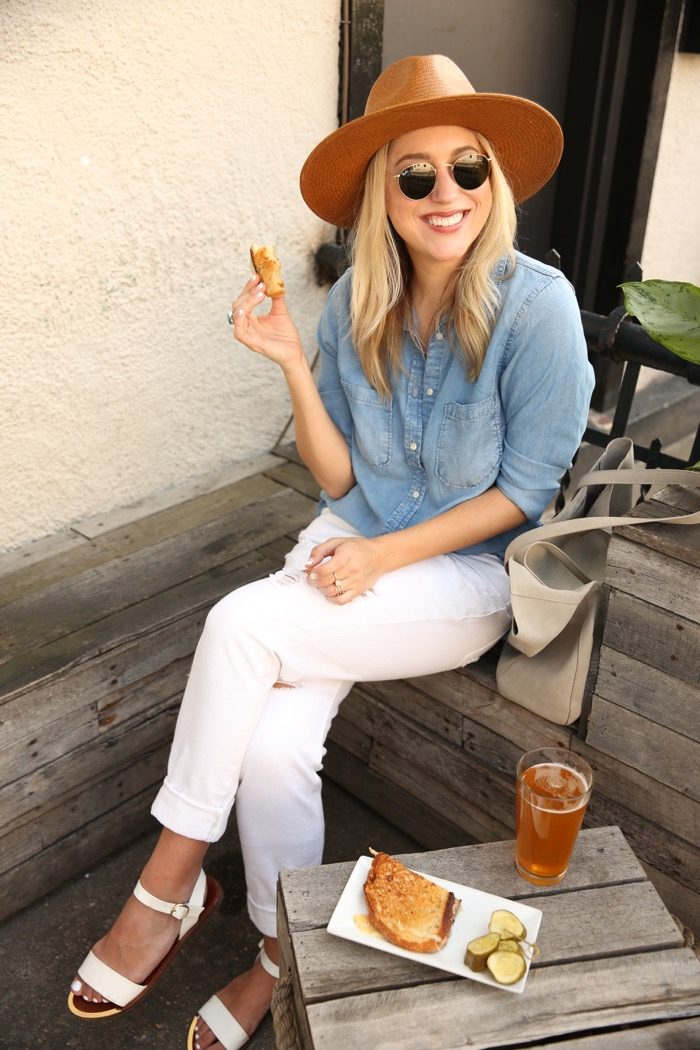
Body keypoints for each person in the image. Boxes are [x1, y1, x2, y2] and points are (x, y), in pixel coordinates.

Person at [68, 54, 594, 1049]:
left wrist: (385, 561)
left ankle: (166, 885)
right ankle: (280, 955)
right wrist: (288, 365)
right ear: (380, 195)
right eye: (416, 174)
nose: (446, 195)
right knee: (270, 747)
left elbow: (523, 493)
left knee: (237, 624)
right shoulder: (361, 293)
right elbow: (342, 483)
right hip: (352, 537)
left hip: (464, 572)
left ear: (496, 181)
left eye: (468, 169)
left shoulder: (540, 310)